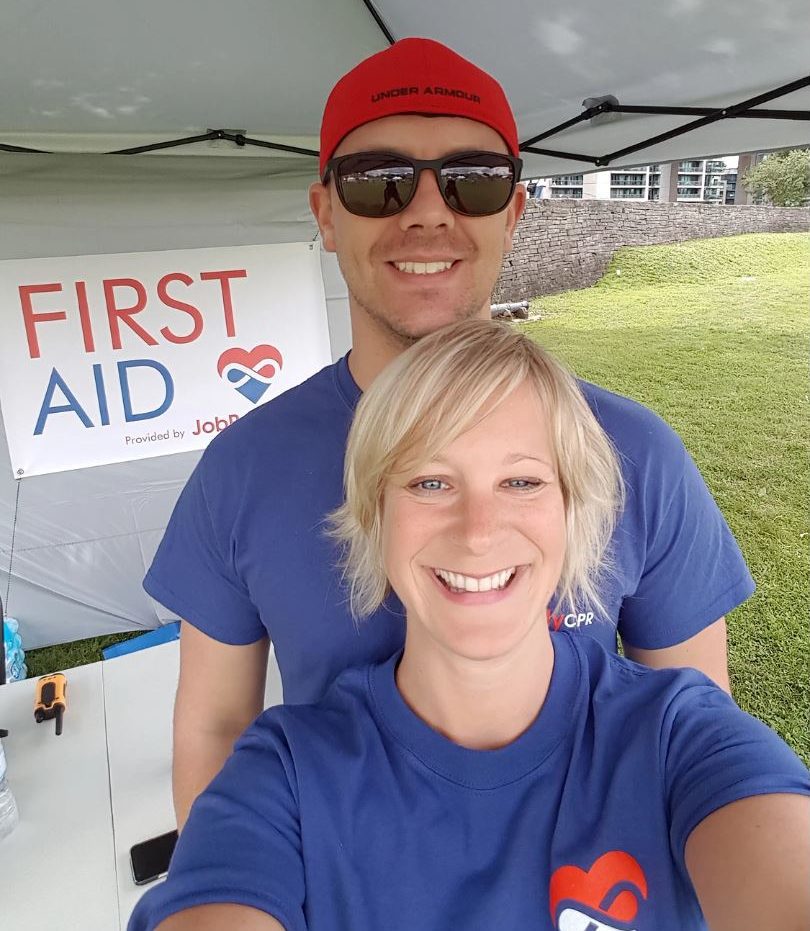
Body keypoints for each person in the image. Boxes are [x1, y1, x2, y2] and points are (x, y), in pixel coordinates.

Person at [144, 37, 755, 830]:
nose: (429, 211)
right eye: (378, 182)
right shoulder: (243, 468)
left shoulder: (635, 453)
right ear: (326, 214)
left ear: (515, 210)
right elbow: (214, 730)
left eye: (472, 180)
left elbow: (701, 737)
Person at [129, 320, 810, 931]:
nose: (478, 533)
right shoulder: (284, 777)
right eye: (430, 482)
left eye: (523, 482)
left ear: (576, 515)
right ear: (374, 517)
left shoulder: (679, 736)